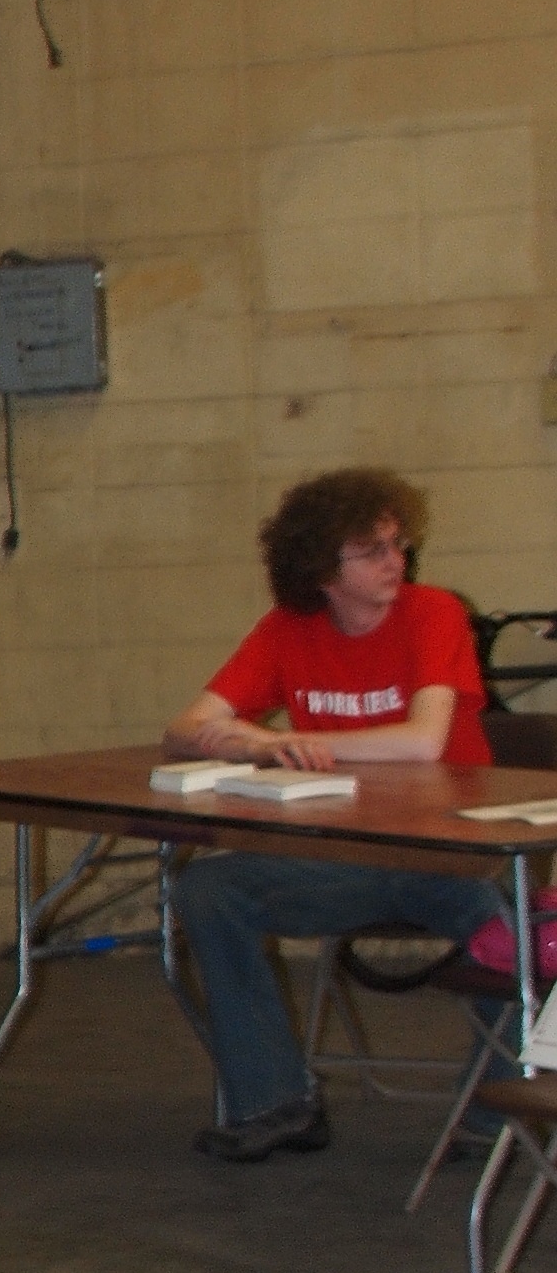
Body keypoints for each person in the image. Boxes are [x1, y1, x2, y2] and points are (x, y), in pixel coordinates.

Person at [163, 468, 494, 1163]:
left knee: (519, 931)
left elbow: (423, 741)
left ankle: (492, 1115)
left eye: (398, 545)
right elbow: (186, 728)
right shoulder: (287, 630)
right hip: (345, 859)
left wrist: (291, 741)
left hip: (447, 855)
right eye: (372, 551)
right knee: (209, 888)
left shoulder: (434, 613)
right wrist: (257, 742)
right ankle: (276, 1101)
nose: (394, 562)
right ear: (320, 569)